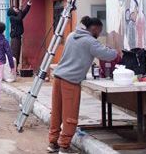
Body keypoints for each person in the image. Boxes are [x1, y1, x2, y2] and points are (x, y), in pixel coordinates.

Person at [48, 17, 119, 154]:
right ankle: (64, 146)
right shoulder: (90, 42)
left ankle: (52, 143)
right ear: (94, 29)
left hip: (58, 77)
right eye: (100, 31)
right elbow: (107, 55)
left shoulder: (71, 35)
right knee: (70, 114)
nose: (99, 34)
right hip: (71, 81)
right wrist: (117, 52)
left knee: (56, 112)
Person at [7, 0, 33, 73]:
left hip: (18, 38)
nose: (17, 9)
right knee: (14, 54)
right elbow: (19, 18)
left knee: (17, 54)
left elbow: (23, 14)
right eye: (15, 8)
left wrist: (28, 5)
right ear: (12, 11)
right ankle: (13, 69)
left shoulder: (18, 15)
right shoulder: (12, 17)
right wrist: (20, 11)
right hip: (15, 38)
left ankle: (15, 69)